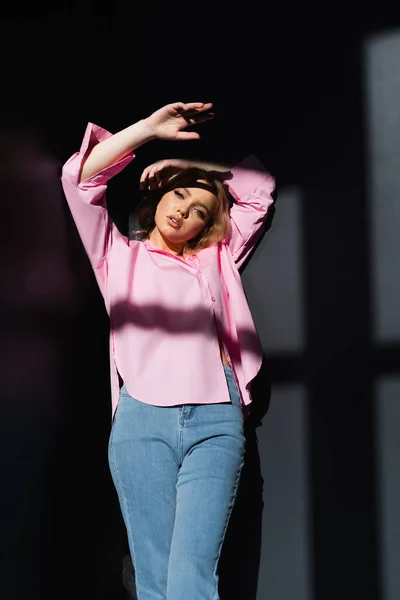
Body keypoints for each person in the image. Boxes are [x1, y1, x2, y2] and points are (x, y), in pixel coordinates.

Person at [61, 101, 275, 600]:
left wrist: (193, 169)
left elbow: (257, 191)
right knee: (154, 583)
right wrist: (148, 131)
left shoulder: (216, 259)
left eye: (200, 210)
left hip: (215, 420)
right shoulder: (118, 256)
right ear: (157, 197)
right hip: (142, 425)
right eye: (179, 194)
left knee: (191, 580)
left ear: (206, 226)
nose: (184, 209)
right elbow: (80, 180)